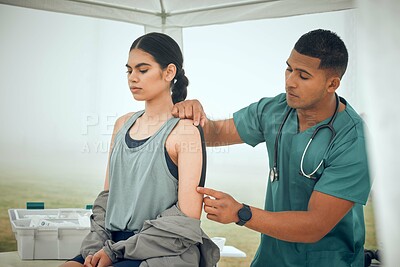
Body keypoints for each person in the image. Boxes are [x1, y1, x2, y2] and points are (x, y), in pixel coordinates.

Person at [172, 29, 371, 267]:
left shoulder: (353, 139)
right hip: (271, 259)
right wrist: (193, 114)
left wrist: (240, 213)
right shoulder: (275, 110)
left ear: (332, 84)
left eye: (303, 76)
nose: (290, 82)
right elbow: (215, 134)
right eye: (289, 69)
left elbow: (315, 225)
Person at [60, 32, 219, 267]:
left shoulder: (185, 132)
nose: (133, 78)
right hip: (111, 245)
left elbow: (186, 220)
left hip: (161, 252)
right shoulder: (122, 124)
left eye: (142, 70)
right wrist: (95, 251)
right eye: (129, 70)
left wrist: (116, 252)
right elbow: (107, 199)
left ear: (169, 72)